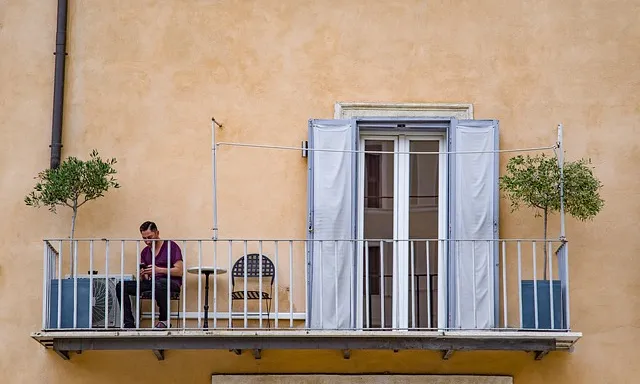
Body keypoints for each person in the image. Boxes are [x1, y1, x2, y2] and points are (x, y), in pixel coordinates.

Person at [116, 221, 183, 328]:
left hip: (171, 283)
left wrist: (158, 270)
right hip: (152, 283)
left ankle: (164, 321)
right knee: (121, 286)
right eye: (144, 238)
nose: (147, 241)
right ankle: (129, 323)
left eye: (150, 237)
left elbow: (179, 271)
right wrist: (143, 274)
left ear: (157, 233)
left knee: (159, 283)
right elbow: (146, 279)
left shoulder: (171, 246)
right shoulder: (145, 252)